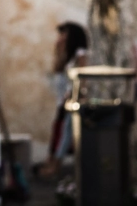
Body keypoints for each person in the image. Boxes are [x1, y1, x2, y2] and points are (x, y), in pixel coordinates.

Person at [42, 21, 91, 176]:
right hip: (67, 99)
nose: (61, 37)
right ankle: (57, 164)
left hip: (74, 99)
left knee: (66, 132)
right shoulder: (70, 55)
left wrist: (76, 94)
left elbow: (83, 76)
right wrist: (58, 49)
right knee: (66, 132)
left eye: (64, 34)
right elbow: (57, 69)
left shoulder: (80, 53)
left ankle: (56, 166)